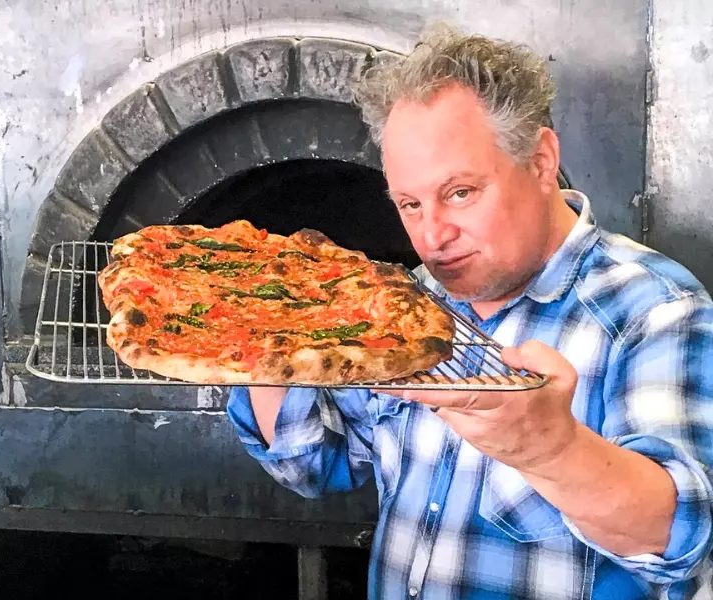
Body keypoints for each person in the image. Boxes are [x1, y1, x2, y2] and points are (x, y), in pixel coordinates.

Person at [227, 23, 713, 599]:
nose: (432, 236)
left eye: (460, 192)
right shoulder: (406, 304)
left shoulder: (654, 309)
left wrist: (553, 451)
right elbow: (313, 463)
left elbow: (681, 543)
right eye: (409, 203)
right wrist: (261, 334)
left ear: (540, 162)